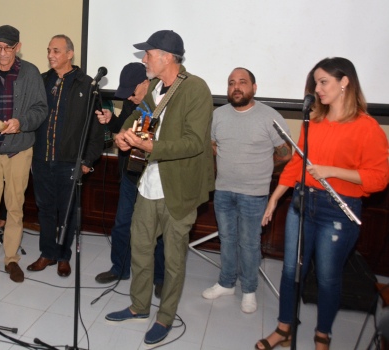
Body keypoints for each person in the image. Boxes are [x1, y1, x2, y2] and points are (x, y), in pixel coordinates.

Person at [257, 57, 389, 350]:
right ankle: (284, 329)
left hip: (338, 210)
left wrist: (332, 171)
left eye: (323, 82)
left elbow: (379, 179)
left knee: (328, 279)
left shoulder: (367, 127)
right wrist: (274, 199)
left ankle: (322, 336)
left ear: (345, 82)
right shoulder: (313, 121)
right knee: (291, 273)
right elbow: (296, 165)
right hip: (303, 204)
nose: (317, 89)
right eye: (316, 82)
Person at [104, 30, 214, 346]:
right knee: (140, 248)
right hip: (148, 184)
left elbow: (194, 143)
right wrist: (125, 136)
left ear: (166, 57)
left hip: (179, 188)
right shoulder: (154, 87)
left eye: (148, 54)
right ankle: (139, 307)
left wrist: (149, 145)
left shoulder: (195, 89)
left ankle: (164, 317)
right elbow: (141, 118)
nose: (144, 59)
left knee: (174, 259)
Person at [202, 67, 292, 313]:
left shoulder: (269, 116)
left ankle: (249, 289)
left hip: (254, 193)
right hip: (223, 191)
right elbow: (212, 143)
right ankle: (226, 283)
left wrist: (262, 163)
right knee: (227, 239)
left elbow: (286, 153)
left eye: (242, 82)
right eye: (231, 83)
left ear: (254, 87)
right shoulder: (219, 114)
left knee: (250, 243)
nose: (236, 87)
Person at [0, 25, 47, 283]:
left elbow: (40, 108)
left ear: (18, 47)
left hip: (19, 150)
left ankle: (11, 259)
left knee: (15, 207)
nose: (2, 53)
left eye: (8, 48)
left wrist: (21, 122)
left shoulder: (31, 73)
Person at [25, 34, 104, 278]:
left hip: (70, 161)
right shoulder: (41, 81)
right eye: (49, 50)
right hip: (41, 159)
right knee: (45, 209)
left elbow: (96, 129)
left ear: (70, 54)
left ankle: (63, 256)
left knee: (67, 211)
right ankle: (47, 253)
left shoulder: (87, 84)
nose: (50, 55)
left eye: (56, 51)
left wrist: (87, 162)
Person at [95, 63, 166, 298]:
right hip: (131, 173)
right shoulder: (131, 102)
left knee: (157, 230)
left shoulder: (161, 105)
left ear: (146, 83)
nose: (130, 98)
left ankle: (160, 278)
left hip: (156, 177)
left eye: (133, 92)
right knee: (122, 223)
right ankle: (119, 268)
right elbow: (127, 128)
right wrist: (111, 120)